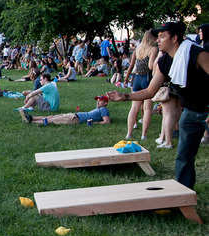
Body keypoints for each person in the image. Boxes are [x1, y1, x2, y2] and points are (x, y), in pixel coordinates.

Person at [108, 22, 208, 189]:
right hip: (192, 111)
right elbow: (149, 91)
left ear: (175, 38)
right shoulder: (165, 62)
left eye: (163, 36)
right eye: (158, 37)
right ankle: (183, 193)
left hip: (205, 109)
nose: (158, 40)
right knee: (183, 156)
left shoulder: (197, 54)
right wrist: (125, 96)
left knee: (184, 155)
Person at [122, 30, 158, 141]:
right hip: (147, 79)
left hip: (136, 79)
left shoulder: (137, 49)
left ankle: (129, 134)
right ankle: (144, 135)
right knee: (147, 109)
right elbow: (151, 66)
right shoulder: (153, 49)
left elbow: (132, 65)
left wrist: (126, 78)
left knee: (134, 108)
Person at [20, 95, 111, 126]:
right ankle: (31, 117)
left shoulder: (104, 109)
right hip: (74, 115)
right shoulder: (99, 108)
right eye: (97, 100)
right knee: (52, 117)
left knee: (53, 120)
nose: (98, 102)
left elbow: (107, 121)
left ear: (105, 103)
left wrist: (94, 123)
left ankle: (31, 122)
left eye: (100, 101)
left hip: (76, 119)